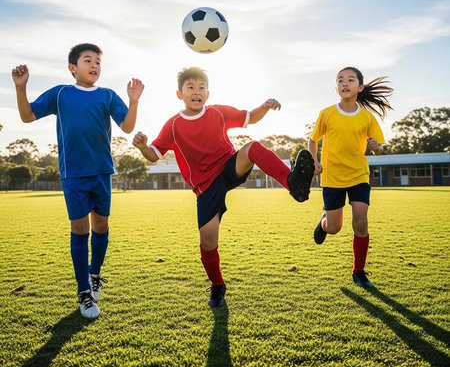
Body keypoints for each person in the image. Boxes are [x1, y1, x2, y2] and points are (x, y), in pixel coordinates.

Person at [133, 67, 314, 308]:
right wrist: (143, 146)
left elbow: (249, 116)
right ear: (180, 94)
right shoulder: (173, 125)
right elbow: (154, 155)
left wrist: (265, 106)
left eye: (201, 87)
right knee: (208, 242)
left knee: (252, 147)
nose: (196, 91)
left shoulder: (217, 112)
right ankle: (217, 285)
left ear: (208, 94)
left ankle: (293, 184)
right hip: (205, 186)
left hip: (229, 166)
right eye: (190, 87)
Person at [12, 43, 144, 318]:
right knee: (80, 228)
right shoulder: (61, 94)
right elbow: (27, 116)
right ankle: (84, 292)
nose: (94, 65)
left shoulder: (107, 95)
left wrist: (133, 101)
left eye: (98, 61)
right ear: (73, 68)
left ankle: (95, 274)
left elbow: (127, 126)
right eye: (88, 60)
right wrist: (21, 87)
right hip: (73, 173)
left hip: (101, 172)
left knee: (101, 225)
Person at [308, 66, 393, 289]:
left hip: (358, 176)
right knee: (335, 228)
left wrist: (376, 147)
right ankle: (324, 221)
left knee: (360, 221)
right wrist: (314, 161)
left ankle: (359, 272)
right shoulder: (327, 113)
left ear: (360, 87)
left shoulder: (366, 117)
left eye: (350, 80)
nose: (345, 83)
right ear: (336, 87)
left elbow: (378, 148)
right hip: (333, 178)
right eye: (340, 80)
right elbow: (313, 139)